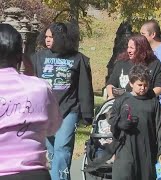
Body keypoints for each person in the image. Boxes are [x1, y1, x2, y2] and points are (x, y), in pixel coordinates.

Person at [31, 22, 94, 180]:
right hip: (44, 111)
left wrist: (86, 113)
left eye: (51, 37)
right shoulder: (38, 58)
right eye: (46, 37)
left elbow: (84, 87)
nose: (48, 40)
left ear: (62, 37)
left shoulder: (78, 59)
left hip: (68, 110)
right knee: (50, 151)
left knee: (62, 148)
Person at [0, 24, 62, 180]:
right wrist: (32, 75)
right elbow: (53, 127)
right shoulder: (39, 88)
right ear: (20, 57)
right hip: (34, 173)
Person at [109, 64, 161, 180]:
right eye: (139, 85)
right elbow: (112, 121)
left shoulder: (153, 102)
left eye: (146, 85)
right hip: (125, 149)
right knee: (124, 175)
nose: (143, 88)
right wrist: (120, 123)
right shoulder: (122, 100)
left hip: (147, 149)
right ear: (131, 84)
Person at [106, 35, 161, 99]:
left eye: (132, 48)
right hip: (123, 104)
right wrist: (111, 96)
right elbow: (110, 84)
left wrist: (146, 98)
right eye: (128, 47)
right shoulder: (121, 63)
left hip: (146, 104)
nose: (128, 50)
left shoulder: (155, 64)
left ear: (141, 49)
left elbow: (160, 87)